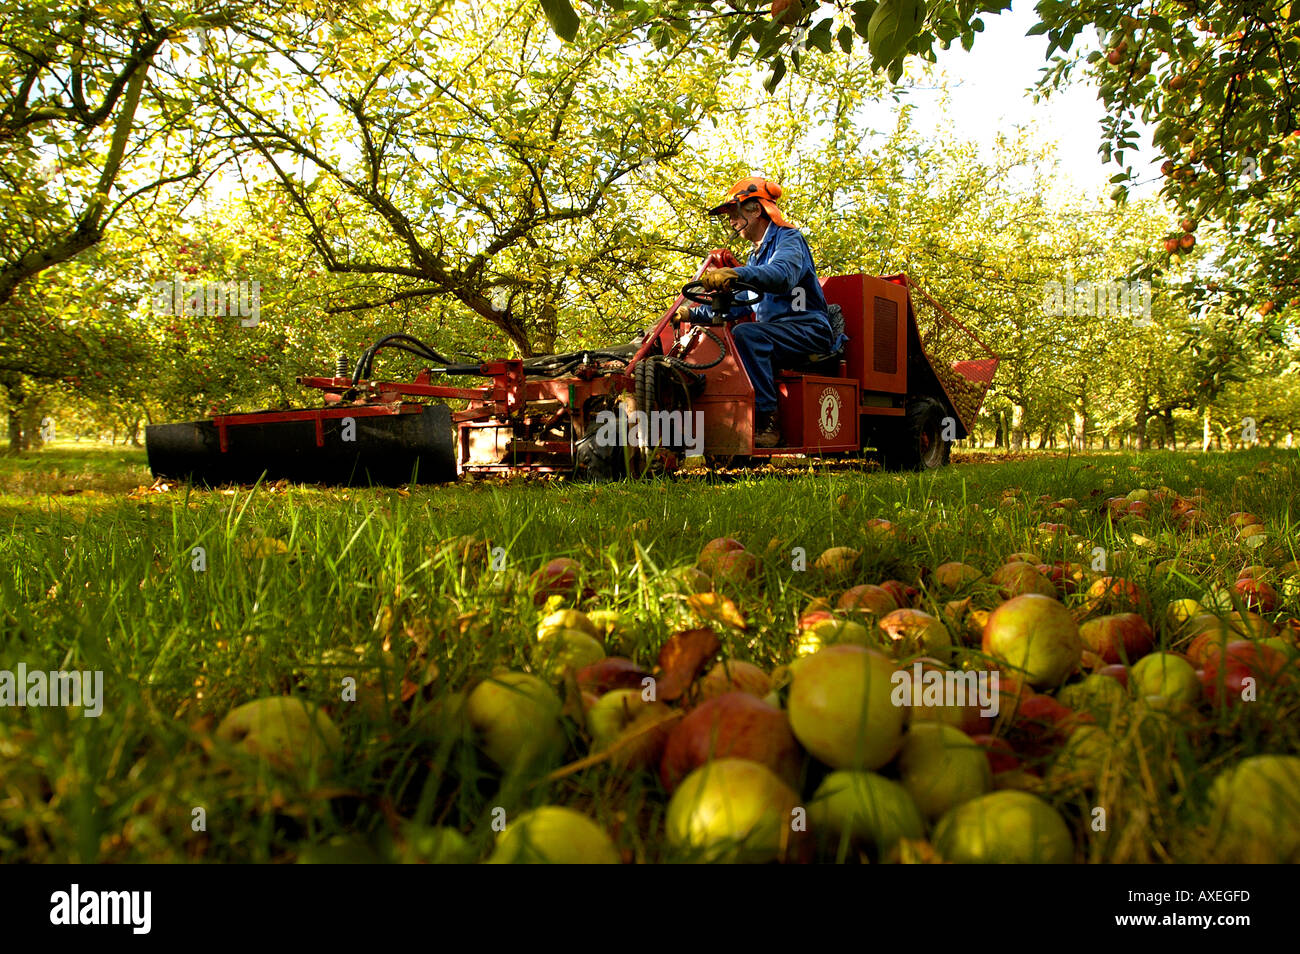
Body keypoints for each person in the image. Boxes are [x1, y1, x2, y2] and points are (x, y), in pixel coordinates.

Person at [674, 177, 845, 447]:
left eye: (734, 213)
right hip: (778, 334)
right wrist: (691, 315)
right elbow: (739, 304)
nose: (730, 221)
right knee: (734, 336)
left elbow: (782, 275)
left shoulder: (789, 239)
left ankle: (768, 420)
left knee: (747, 335)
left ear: (754, 210)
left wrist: (736, 272)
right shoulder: (756, 257)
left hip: (808, 329)